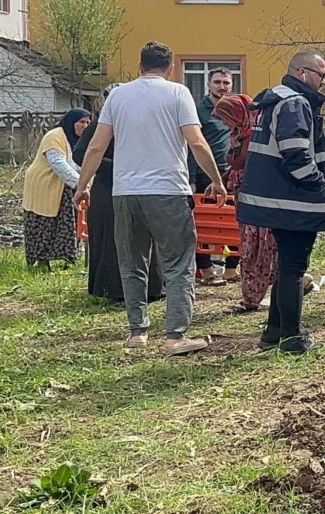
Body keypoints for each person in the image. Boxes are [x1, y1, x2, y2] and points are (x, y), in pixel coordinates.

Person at [74, 41, 228, 355]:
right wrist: (216, 179)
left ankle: (137, 332)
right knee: (178, 265)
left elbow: (95, 147)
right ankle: (175, 336)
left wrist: (82, 185)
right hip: (168, 190)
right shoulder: (178, 93)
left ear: (140, 66)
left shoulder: (117, 95)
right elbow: (196, 142)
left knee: (132, 264)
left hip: (126, 193)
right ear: (170, 68)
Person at [236, 49, 325, 353]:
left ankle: (273, 334)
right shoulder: (295, 103)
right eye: (321, 75)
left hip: (276, 199)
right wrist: (318, 184)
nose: (324, 81)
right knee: (294, 268)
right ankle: (292, 339)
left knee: (287, 268)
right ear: (303, 74)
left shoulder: (275, 101)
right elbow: (295, 152)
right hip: (294, 200)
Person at [74, 85, 165, 303]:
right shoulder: (101, 125)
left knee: (145, 238)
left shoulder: (143, 122)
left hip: (143, 185)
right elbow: (82, 154)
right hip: (109, 189)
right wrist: (116, 167)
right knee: (112, 239)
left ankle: (151, 288)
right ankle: (114, 290)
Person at [212, 94, 279, 314]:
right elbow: (236, 164)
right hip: (244, 197)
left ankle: (254, 296)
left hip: (258, 199)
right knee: (250, 246)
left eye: (225, 118)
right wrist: (220, 181)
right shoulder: (238, 134)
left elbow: (256, 165)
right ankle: (254, 294)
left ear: (237, 115)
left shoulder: (256, 136)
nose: (223, 123)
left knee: (258, 248)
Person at [22, 108, 90, 268]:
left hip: (65, 186)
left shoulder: (79, 140)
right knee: (44, 222)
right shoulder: (55, 136)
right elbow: (59, 163)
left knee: (68, 222)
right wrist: (81, 184)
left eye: (88, 122)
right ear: (71, 122)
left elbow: (77, 163)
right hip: (44, 185)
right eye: (81, 122)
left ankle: (68, 259)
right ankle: (41, 262)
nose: (85, 125)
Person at [189, 67, 237, 285]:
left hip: (233, 173)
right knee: (204, 223)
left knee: (236, 222)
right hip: (205, 174)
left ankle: (231, 269)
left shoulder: (237, 108)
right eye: (217, 82)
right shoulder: (198, 110)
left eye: (226, 83)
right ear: (209, 84)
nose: (222, 87)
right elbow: (190, 146)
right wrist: (190, 177)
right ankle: (206, 270)